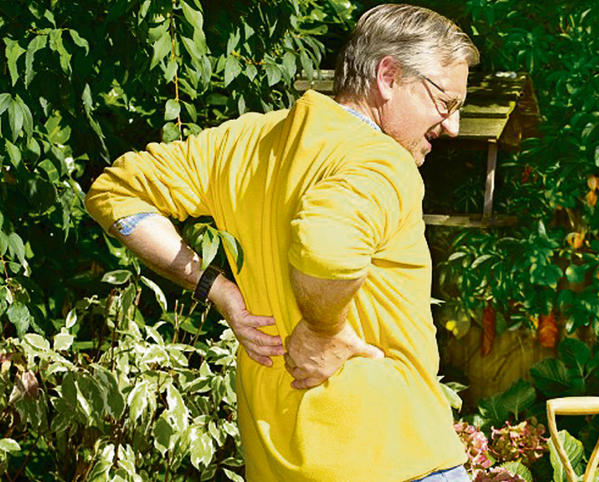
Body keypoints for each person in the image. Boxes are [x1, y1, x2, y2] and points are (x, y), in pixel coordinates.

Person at [85, 4, 479, 481]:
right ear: (388, 76)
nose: (452, 126)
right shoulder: (382, 162)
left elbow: (115, 194)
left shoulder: (245, 140)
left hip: (277, 463)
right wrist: (323, 329)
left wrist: (219, 290)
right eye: (445, 103)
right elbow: (325, 248)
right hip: (396, 458)